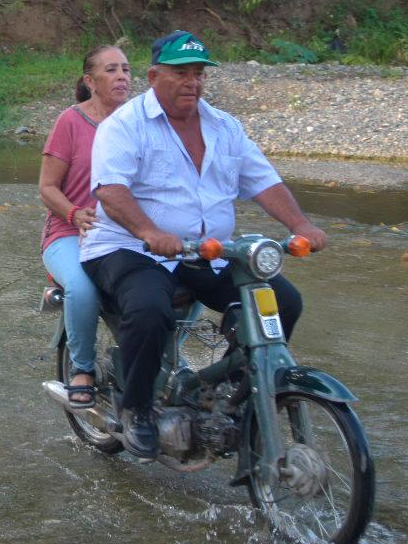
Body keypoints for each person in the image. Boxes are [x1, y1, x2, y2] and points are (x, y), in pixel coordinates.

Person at [80, 30, 327, 459]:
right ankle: (137, 408)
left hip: (207, 252)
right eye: (180, 73)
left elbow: (263, 181)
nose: (191, 82)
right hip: (127, 247)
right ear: (155, 75)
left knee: (282, 300)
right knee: (149, 309)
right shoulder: (125, 125)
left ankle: (229, 391)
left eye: (198, 73)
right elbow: (110, 190)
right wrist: (148, 231)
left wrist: (302, 224)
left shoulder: (224, 126)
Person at [38, 44, 133, 409]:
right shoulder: (71, 122)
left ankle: (168, 359)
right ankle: (82, 368)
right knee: (83, 286)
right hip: (69, 232)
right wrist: (75, 213)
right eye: (111, 70)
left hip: (126, 233)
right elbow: (47, 188)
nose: (122, 76)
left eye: (125, 69)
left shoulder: (139, 122)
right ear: (90, 81)